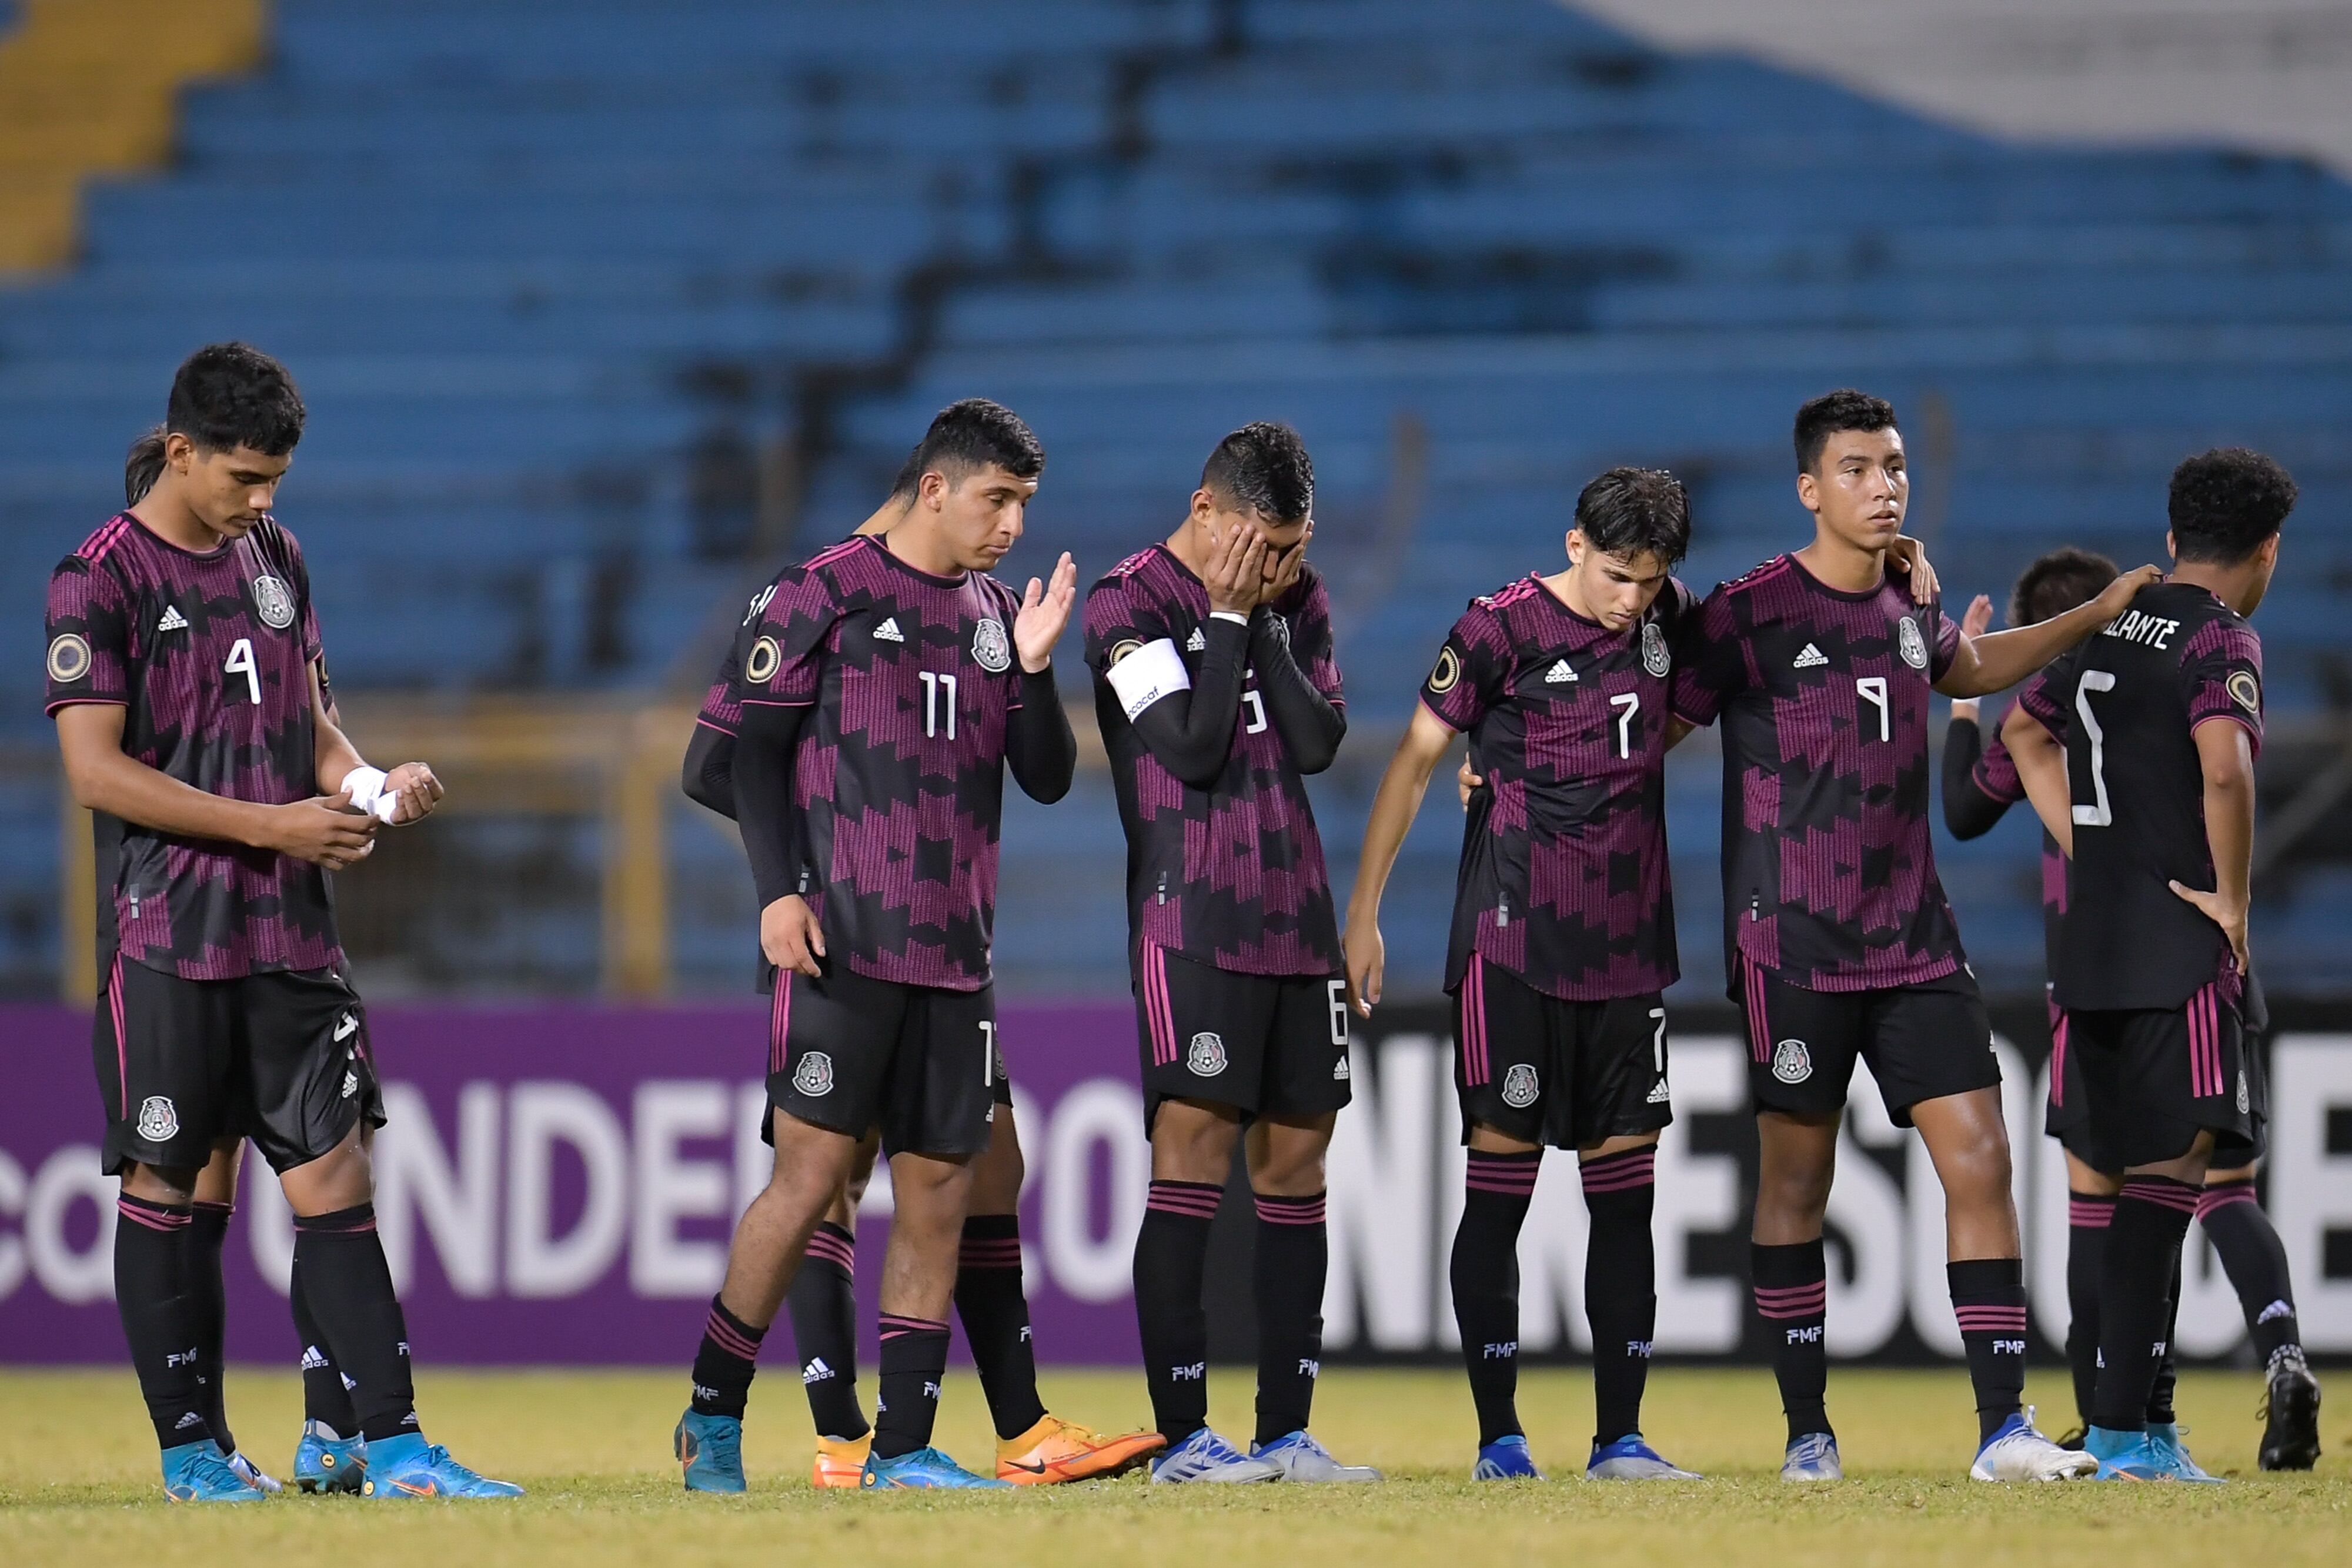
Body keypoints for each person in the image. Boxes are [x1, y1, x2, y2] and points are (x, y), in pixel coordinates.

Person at [46, 343, 518, 1502]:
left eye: (276, 481)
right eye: (244, 478)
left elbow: (313, 721)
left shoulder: (277, 559)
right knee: (170, 1184)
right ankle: (193, 1451)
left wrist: (367, 788)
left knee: (336, 1178)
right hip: (170, 937)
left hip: (291, 934)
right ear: (179, 451)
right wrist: (273, 826)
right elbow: (96, 772)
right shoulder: (97, 577)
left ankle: (392, 1445)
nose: (262, 502)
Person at [1670, 388, 2160, 1483]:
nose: (1884, 483)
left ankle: (2004, 1431)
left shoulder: (1907, 601)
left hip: (1914, 940)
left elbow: (1969, 669)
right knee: (1797, 1181)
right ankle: (1808, 1431)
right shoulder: (1748, 614)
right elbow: (1647, 723)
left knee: (1981, 1161)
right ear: (1809, 488)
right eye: (1857, 468)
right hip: (1788, 943)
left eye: (1894, 465)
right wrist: (1512, 772)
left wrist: (2090, 614)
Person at [681, 414, 1160, 1487]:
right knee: (808, 1184)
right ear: (934, 489)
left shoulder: (995, 619)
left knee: (944, 1187)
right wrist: (780, 893)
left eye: (1025, 504)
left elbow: (1042, 774)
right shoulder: (823, 590)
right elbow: (741, 759)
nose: (1014, 524)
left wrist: (1034, 672)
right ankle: (711, 1414)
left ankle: (901, 1447)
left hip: (956, 953)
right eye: (999, 499)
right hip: (841, 944)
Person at [1342, 467, 1703, 1483]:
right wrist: (1364, 914)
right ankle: (1500, 1435)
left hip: (1629, 949)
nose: (1633, 599)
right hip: (1514, 947)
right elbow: (1416, 759)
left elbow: (1696, 697)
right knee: (1501, 1194)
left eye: (1652, 579)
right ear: (1576, 543)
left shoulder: (1667, 618)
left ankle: (1620, 1438)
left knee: (1625, 1200)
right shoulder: (1498, 630)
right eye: (1620, 575)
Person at [2000, 449, 2319, 1480]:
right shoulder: (2223, 637)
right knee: (2175, 1182)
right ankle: (2128, 1433)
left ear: (2175, 537)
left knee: (2124, 1191)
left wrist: (2088, 845)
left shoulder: (2108, 624)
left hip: (2087, 945)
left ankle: (2136, 1428)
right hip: (2174, 950)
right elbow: (2223, 766)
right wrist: (2232, 899)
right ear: (2267, 551)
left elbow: (2018, 727)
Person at [1083, 423, 1373, 1485]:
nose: (1279, 567)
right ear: (1206, 511)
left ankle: (1288, 1433)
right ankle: (1184, 1439)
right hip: (1192, 917)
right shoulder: (1128, 604)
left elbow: (1317, 741)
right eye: (1264, 545)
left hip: (1294, 915)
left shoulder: (1295, 596)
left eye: (1294, 551)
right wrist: (1228, 615)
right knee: (1193, 1163)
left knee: (1297, 1167)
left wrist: (1264, 613)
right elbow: (1194, 750)